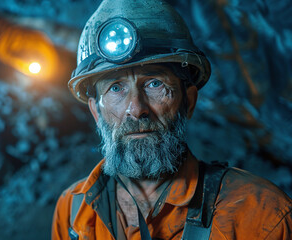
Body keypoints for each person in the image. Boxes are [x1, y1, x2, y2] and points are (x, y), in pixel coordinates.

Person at [51, 0, 292, 239]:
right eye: (115, 88)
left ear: (189, 101)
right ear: (95, 111)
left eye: (155, 84)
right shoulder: (73, 212)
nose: (136, 110)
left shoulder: (262, 216)